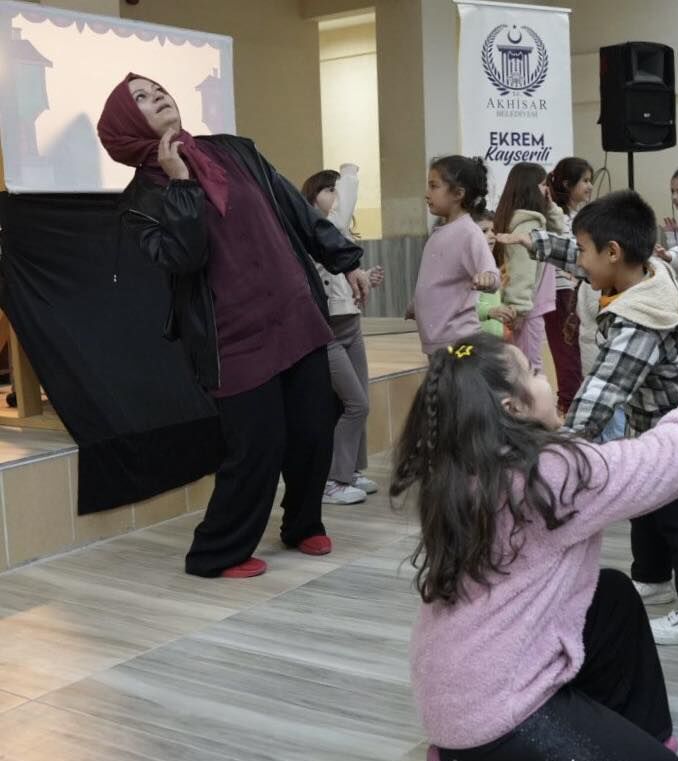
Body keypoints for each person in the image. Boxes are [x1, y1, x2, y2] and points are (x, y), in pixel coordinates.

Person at [397, 335, 678, 761]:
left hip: (462, 678)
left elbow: (651, 476)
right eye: (534, 371)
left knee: (610, 594)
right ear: (511, 406)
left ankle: (639, 736)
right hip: (488, 707)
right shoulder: (548, 476)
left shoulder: (470, 468)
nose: (549, 379)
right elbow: (657, 459)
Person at [100, 74, 368, 579]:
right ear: (124, 124)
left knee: (313, 429)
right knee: (256, 447)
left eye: (158, 89)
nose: (157, 97)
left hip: (293, 312)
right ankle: (216, 552)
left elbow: (295, 210)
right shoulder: (138, 204)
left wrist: (345, 259)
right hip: (232, 335)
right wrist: (180, 182)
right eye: (141, 98)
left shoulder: (235, 151)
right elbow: (184, 256)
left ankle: (303, 521)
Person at [498, 191, 678, 646]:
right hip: (652, 425)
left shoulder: (638, 320)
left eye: (585, 250)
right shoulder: (646, 269)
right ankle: (651, 576)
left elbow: (603, 391)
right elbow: (585, 253)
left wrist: (559, 449)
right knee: (645, 505)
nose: (580, 259)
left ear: (612, 253)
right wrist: (537, 244)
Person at [302, 166, 385, 505]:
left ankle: (349, 470)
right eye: (329, 190)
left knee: (358, 399)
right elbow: (335, 224)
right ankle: (332, 482)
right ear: (311, 198)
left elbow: (339, 276)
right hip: (327, 331)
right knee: (356, 404)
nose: (336, 198)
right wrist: (350, 177)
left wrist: (365, 276)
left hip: (351, 325)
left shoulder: (339, 236)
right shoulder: (314, 233)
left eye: (339, 190)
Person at [412, 156, 501, 354]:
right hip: (438, 341)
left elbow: (492, 275)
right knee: (443, 385)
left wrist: (488, 278)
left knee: (458, 385)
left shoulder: (469, 232)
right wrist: (418, 305)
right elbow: (436, 279)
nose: (427, 194)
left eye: (434, 186)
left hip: (460, 341)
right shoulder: (440, 232)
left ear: (458, 193)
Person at [493, 163, 565, 373]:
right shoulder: (527, 225)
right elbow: (522, 271)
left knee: (522, 366)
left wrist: (550, 207)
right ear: (530, 188)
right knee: (530, 369)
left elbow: (558, 230)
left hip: (528, 307)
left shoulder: (529, 220)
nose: (547, 190)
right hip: (527, 310)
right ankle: (532, 406)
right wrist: (520, 309)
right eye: (543, 185)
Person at [544, 157, 594, 412]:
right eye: (584, 181)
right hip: (560, 290)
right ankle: (569, 404)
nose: (590, 186)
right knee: (567, 354)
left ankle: (575, 402)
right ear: (567, 183)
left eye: (590, 181)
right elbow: (567, 254)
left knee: (578, 350)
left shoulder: (580, 216)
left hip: (577, 291)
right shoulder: (558, 217)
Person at [471, 211, 513, 337]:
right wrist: (490, 311)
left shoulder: (492, 267)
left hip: (495, 340)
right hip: (475, 341)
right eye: (484, 231)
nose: (491, 235)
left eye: (492, 230)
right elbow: (466, 306)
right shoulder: (469, 269)